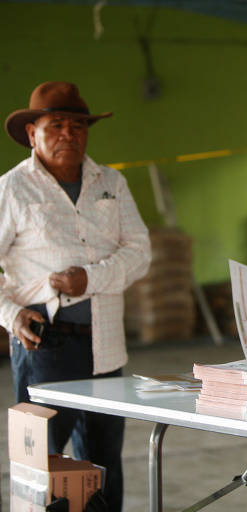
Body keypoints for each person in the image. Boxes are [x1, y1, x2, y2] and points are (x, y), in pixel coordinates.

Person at [1, 81, 151, 512]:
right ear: (33, 133)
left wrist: (91, 278)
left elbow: (140, 252)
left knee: (104, 461)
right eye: (57, 125)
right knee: (41, 461)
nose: (69, 133)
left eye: (78, 125)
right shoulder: (12, 189)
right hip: (45, 344)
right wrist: (10, 314)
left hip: (106, 343)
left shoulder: (112, 183)